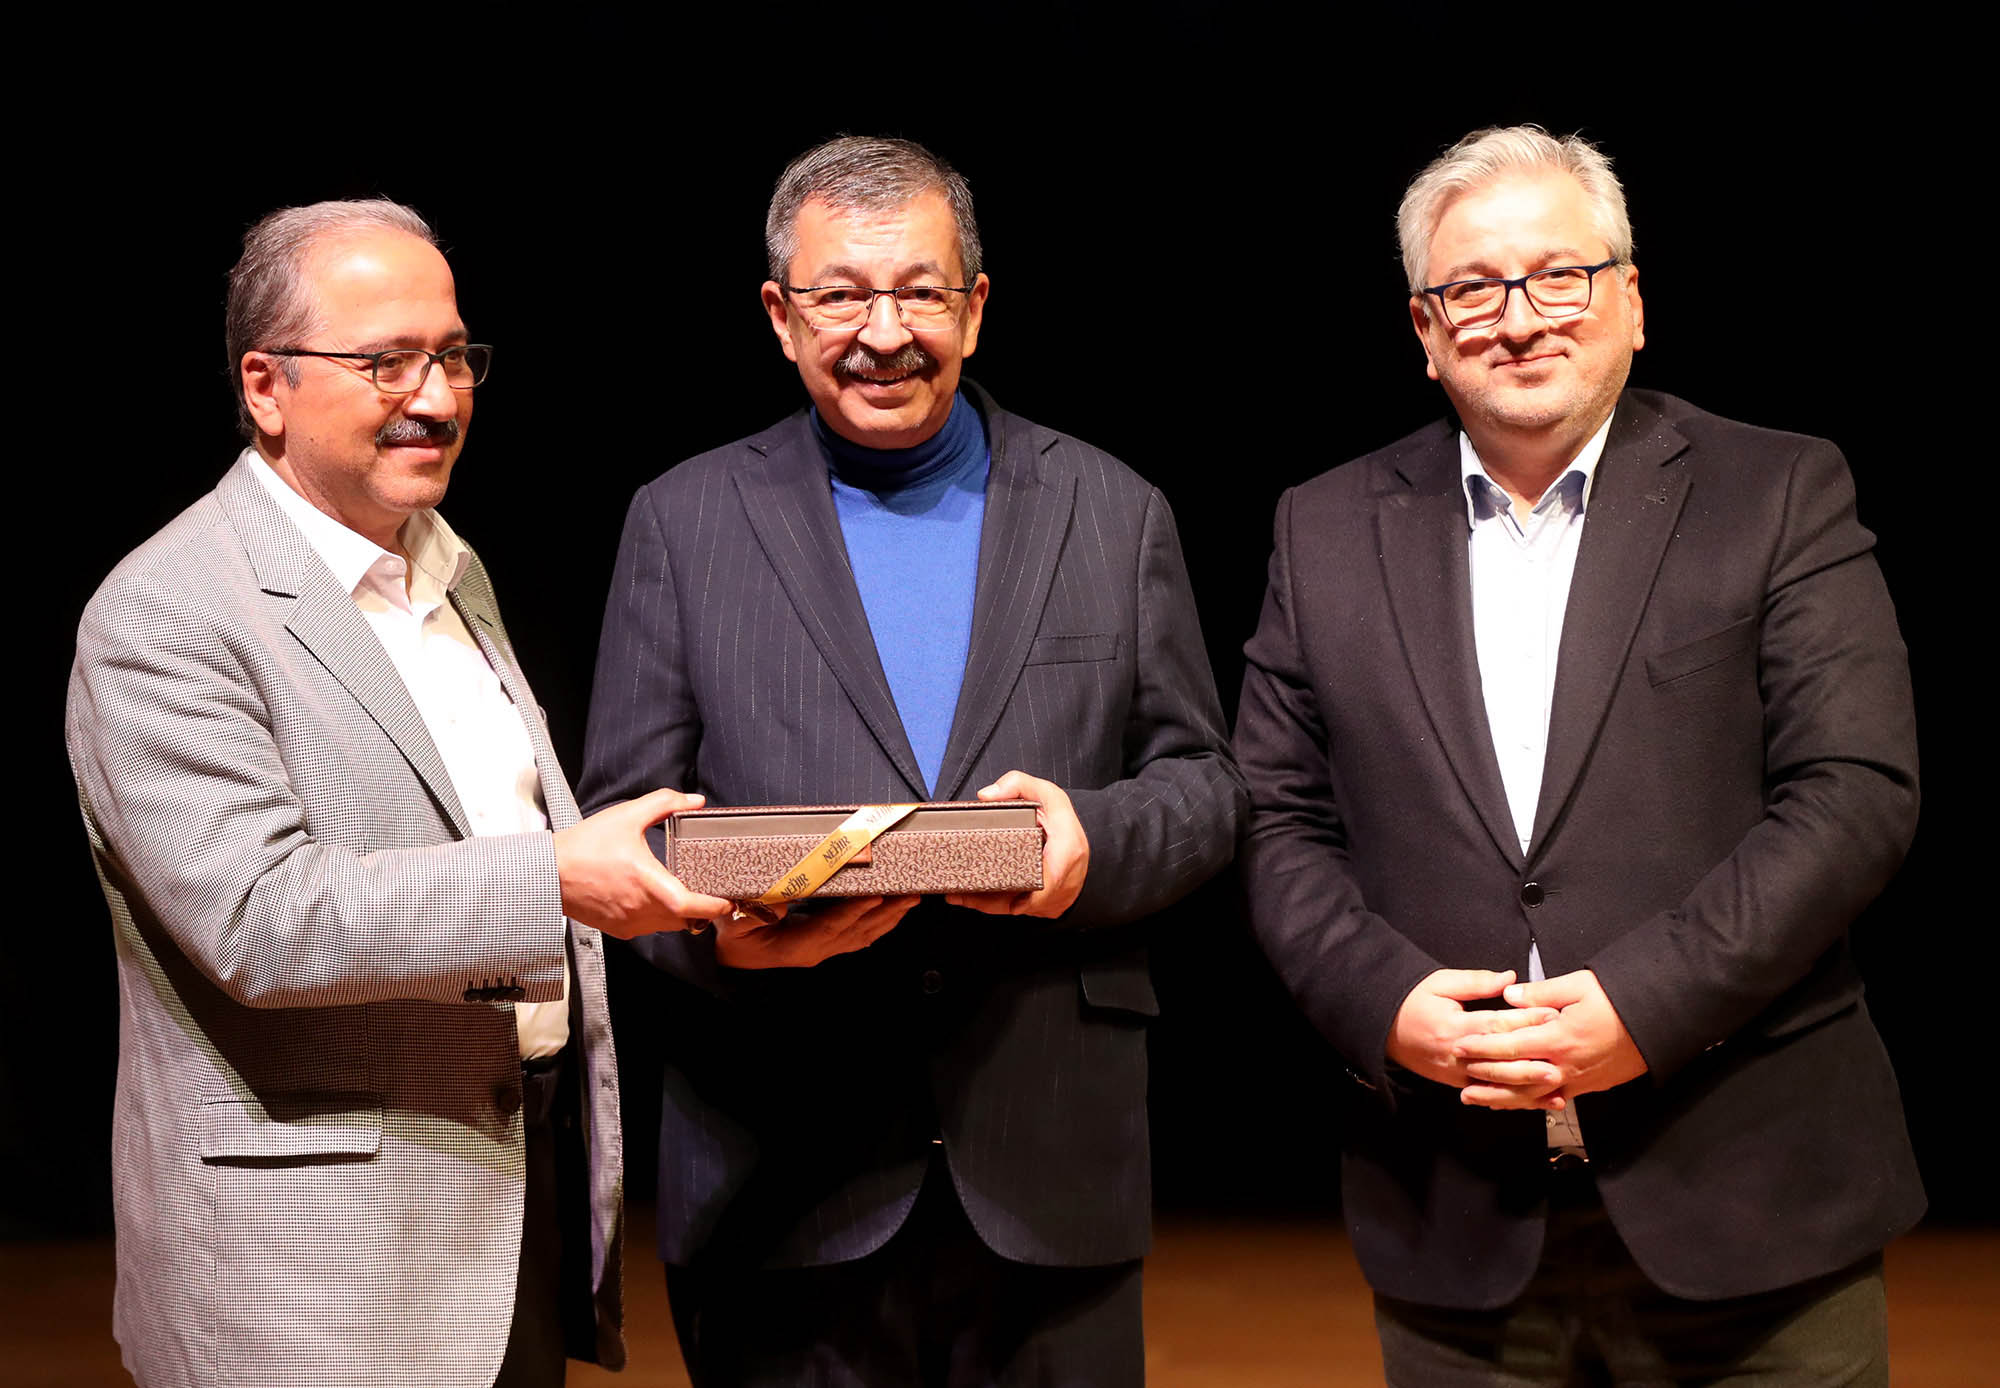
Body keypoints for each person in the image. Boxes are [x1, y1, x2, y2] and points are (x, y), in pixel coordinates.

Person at [1235, 126, 1923, 1385]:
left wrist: (1642, 1004)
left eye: (1560, 274)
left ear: (1631, 302)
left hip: (1754, 1199)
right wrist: (1383, 1000)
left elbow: (1852, 793)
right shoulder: (1318, 526)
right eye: (1472, 288)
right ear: (1424, 329)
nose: (1519, 317)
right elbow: (1275, 817)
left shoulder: (1776, 489)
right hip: (1452, 1213)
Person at [579, 135, 1245, 1386]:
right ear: (779, 316)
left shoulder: (1113, 509)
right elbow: (625, 822)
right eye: (839, 294)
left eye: (920, 292)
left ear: (974, 308)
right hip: (782, 1175)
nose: (881, 333)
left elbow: (1206, 787)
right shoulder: (682, 519)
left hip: (1050, 1170)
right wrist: (723, 937)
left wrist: (1087, 845)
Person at [65, 199, 737, 1388]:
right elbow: (260, 916)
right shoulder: (166, 610)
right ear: (266, 386)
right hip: (310, 1273)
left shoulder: (446, 566)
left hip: (501, 1214)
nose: (436, 396)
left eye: (453, 355)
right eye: (386, 361)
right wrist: (557, 878)